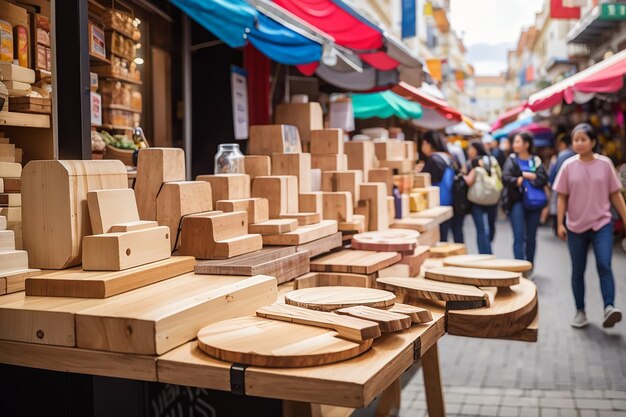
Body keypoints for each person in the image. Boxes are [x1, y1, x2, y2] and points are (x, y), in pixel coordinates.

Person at [553, 123, 626, 329]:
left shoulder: (605, 164)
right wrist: (559, 224)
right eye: (575, 139)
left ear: (593, 142)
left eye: (583, 139)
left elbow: (615, 194)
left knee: (604, 264)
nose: (578, 143)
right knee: (578, 271)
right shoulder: (568, 165)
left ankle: (609, 307)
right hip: (575, 227)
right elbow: (561, 198)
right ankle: (580, 311)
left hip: (602, 224)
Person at [501, 132, 548, 277]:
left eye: (518, 142)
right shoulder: (512, 159)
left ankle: (530, 267)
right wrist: (517, 180)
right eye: (514, 142)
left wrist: (528, 176)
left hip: (534, 202)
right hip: (517, 201)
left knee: (531, 237)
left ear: (526, 144)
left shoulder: (536, 160)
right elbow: (506, 177)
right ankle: (519, 269)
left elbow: (544, 178)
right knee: (519, 236)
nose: (515, 145)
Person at [421, 131, 464, 243]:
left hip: (439, 205)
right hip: (453, 202)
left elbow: (424, 181)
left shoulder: (433, 159)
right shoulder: (448, 157)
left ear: (427, 143)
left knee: (441, 239)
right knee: (455, 236)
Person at [464, 140, 502, 254]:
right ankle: (488, 250)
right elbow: (500, 176)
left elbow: (469, 181)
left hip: (478, 199)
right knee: (490, 228)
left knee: (481, 230)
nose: (468, 151)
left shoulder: (472, 162)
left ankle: (485, 255)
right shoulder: (492, 160)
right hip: (493, 198)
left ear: (475, 149)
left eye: (470, 148)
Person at [548, 134, 575, 234]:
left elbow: (554, 172)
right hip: (573, 187)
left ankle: (559, 226)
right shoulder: (575, 154)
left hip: (560, 184)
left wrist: (550, 182)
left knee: (557, 203)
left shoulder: (561, 155)